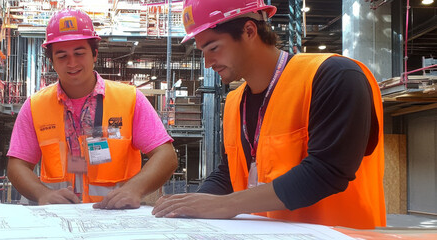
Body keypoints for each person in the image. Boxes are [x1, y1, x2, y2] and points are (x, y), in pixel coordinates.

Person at [153, 0, 385, 229]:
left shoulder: (334, 76)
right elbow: (228, 172)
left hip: (339, 234)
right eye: (202, 51)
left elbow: (326, 171)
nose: (207, 63)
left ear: (249, 31)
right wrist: (191, 206)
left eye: (213, 48)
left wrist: (225, 205)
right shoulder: (234, 102)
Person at [6, 9, 178, 209]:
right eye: (62, 56)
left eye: (79, 53)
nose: (72, 63)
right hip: (60, 218)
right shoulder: (35, 106)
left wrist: (134, 189)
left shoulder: (129, 99)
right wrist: (42, 194)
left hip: (117, 217)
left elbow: (166, 155)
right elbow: (17, 165)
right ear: (51, 61)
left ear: (95, 54)